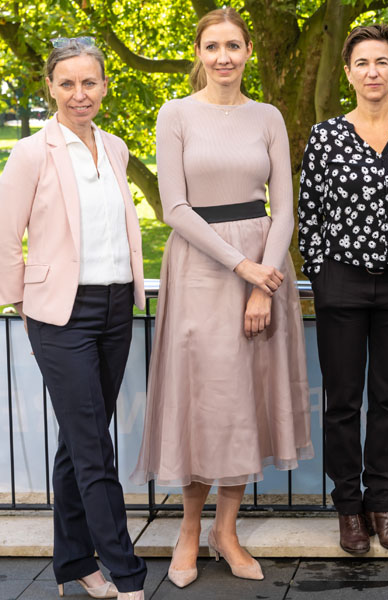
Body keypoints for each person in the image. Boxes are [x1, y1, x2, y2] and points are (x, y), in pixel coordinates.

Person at [130, 7, 313, 588]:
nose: (224, 56)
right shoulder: (175, 114)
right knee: (202, 400)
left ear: (249, 51)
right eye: (213, 47)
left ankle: (225, 531)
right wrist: (242, 267)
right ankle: (189, 528)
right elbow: (175, 207)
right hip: (201, 268)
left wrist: (263, 279)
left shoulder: (269, 116)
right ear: (199, 53)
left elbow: (283, 207)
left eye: (233, 45)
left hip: (265, 268)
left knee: (244, 402)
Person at [0, 38, 146, 600]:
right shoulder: (31, 153)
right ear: (51, 89)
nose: (79, 94)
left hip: (114, 309)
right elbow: (5, 233)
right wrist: (22, 302)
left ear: (105, 85)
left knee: (76, 444)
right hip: (60, 315)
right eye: (67, 84)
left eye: (90, 82)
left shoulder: (115, 147)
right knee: (94, 449)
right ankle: (127, 576)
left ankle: (71, 565)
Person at [298, 24, 388, 555]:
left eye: (381, 62)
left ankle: (382, 507)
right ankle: (348, 510)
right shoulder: (327, 136)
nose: (373, 72)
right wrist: (320, 272)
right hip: (341, 281)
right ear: (349, 73)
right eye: (362, 63)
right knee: (342, 401)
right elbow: (309, 212)